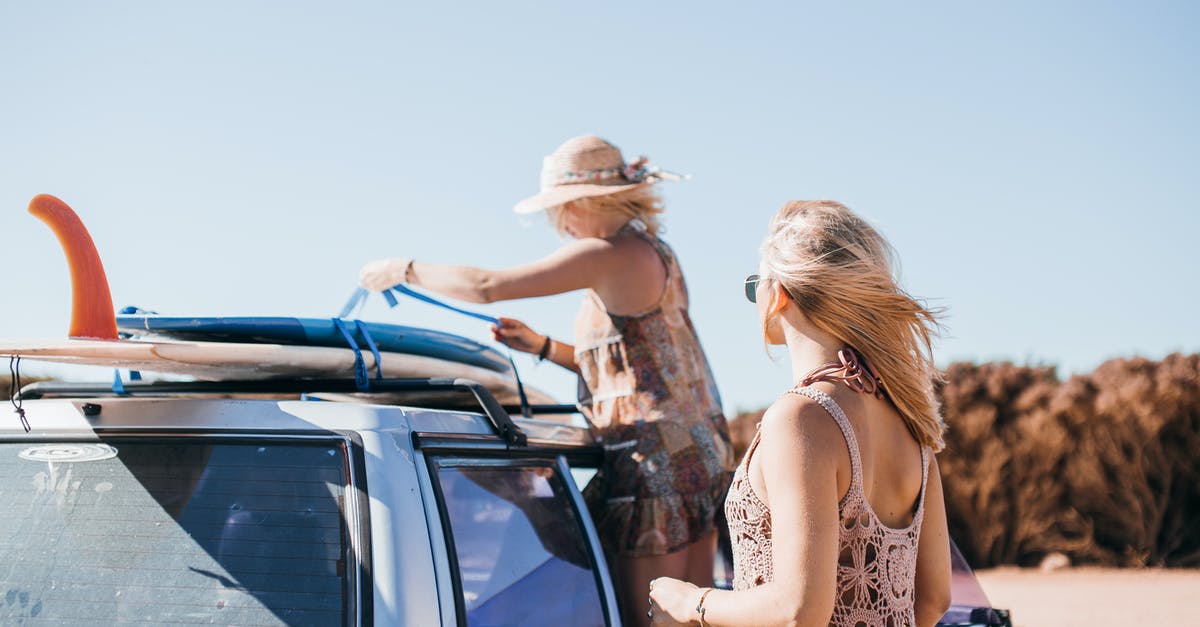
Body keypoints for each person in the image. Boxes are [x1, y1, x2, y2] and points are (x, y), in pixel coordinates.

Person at [358, 135, 734, 627]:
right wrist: (542, 347)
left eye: (560, 211)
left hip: (653, 462)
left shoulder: (605, 253)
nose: (560, 224)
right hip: (697, 452)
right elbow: (642, 368)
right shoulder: (654, 252)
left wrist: (403, 270)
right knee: (694, 615)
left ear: (582, 203)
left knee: (649, 618)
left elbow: (488, 287)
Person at [648, 200, 952, 626]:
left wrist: (690, 602)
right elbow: (934, 599)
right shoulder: (910, 422)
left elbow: (799, 610)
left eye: (756, 284)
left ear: (779, 295)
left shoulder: (801, 418)